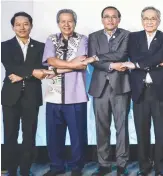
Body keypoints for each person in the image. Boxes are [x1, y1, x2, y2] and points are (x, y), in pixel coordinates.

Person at [42, 9, 98, 176]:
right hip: (54, 94)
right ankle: (56, 166)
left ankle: (76, 167)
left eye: (70, 21)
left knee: (77, 135)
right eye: (62, 21)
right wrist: (71, 64)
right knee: (53, 135)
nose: (66, 24)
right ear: (58, 23)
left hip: (76, 94)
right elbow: (50, 61)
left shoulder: (83, 39)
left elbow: (82, 64)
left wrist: (56, 69)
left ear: (75, 22)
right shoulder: (51, 39)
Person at [123, 6, 163, 176]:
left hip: (160, 90)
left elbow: (160, 56)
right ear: (142, 20)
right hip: (140, 90)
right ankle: (144, 166)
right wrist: (148, 61)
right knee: (142, 131)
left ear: (158, 21)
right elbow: (133, 55)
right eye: (146, 18)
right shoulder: (133, 37)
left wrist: (138, 65)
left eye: (153, 18)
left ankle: (160, 167)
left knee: (161, 131)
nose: (149, 21)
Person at [1, 12, 47, 176]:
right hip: (10, 97)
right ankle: (11, 171)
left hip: (32, 95)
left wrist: (25, 74)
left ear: (31, 26)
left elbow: (44, 70)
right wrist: (33, 72)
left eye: (25, 24)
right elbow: (10, 66)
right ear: (13, 27)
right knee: (10, 135)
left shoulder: (41, 46)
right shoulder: (4, 46)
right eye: (18, 24)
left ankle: (26, 170)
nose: (22, 27)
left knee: (29, 135)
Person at [88, 6, 131, 176]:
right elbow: (92, 61)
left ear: (119, 19)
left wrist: (98, 56)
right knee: (102, 127)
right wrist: (111, 64)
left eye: (114, 17)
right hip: (100, 87)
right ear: (102, 19)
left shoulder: (127, 35)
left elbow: (122, 54)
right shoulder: (93, 37)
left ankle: (122, 163)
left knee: (122, 127)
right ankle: (104, 164)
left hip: (120, 86)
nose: (110, 20)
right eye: (107, 17)